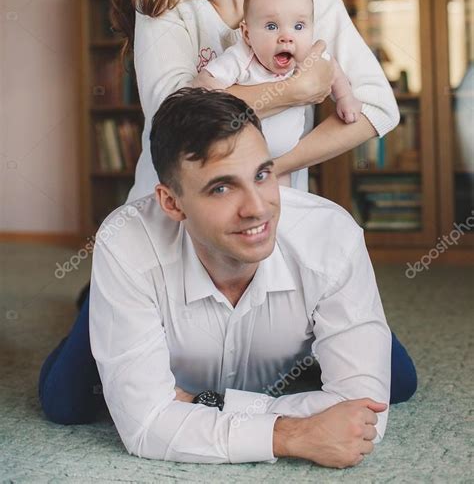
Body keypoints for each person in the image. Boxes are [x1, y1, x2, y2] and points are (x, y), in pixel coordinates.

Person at [38, 0, 415, 425]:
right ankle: (107, 296)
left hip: (267, 216)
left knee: (398, 382)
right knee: (67, 404)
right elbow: (174, 116)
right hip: (178, 220)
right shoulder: (163, 6)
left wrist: (267, 171)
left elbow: (376, 108)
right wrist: (296, 89)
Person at [90, 88, 390, 467]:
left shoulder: (331, 238)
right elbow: (146, 425)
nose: (257, 208)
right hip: (140, 298)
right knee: (65, 400)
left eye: (262, 174)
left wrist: (206, 403)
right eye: (221, 187)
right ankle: (95, 300)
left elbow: (364, 417)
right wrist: (292, 434)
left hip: (303, 323)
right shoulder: (126, 244)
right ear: (171, 202)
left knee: (400, 381)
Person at [193, 0, 362, 185]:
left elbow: (333, 69)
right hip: (237, 158)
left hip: (283, 162)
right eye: (272, 26)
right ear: (247, 34)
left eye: (298, 26)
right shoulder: (241, 57)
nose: (286, 36)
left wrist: (345, 97)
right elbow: (203, 83)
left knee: (282, 206)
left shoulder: (309, 57)